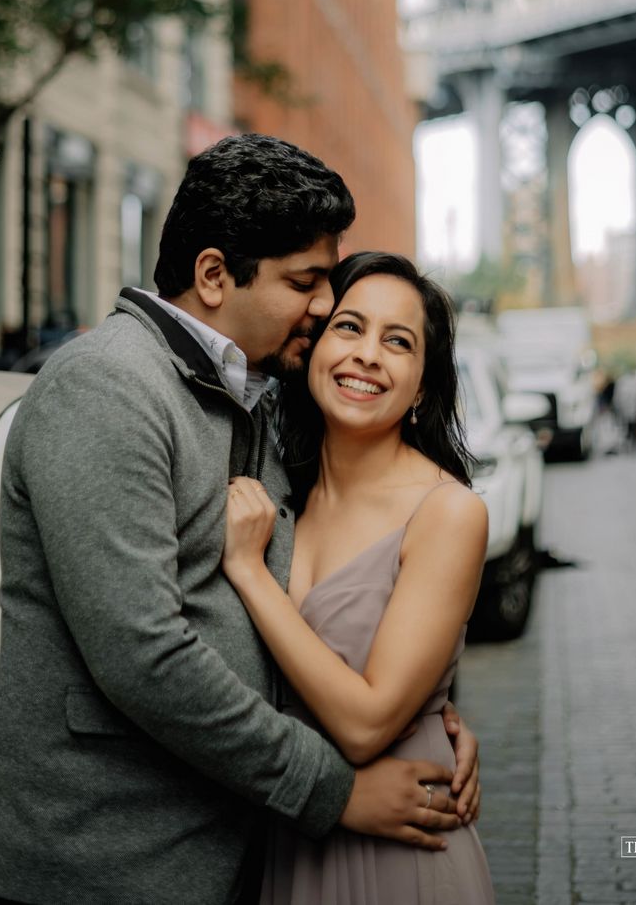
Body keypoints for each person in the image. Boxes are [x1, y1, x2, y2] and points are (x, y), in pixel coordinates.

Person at [0, 136, 481, 905]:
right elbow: (145, 654)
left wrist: (428, 713)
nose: (321, 305)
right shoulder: (106, 388)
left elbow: (350, 598)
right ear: (213, 275)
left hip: (232, 852)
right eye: (305, 282)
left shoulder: (260, 400)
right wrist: (335, 789)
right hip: (104, 868)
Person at [223, 250, 496, 904]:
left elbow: (369, 724)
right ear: (315, 347)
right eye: (350, 327)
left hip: (402, 848)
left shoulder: (448, 512)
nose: (368, 354)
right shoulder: (276, 488)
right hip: (285, 836)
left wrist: (249, 573)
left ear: (424, 384)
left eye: (397, 342)